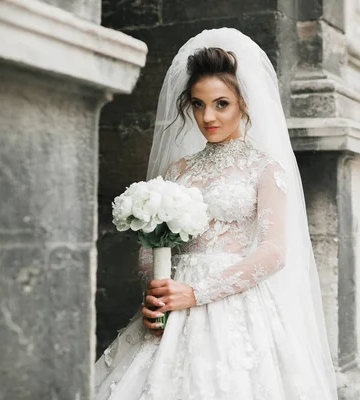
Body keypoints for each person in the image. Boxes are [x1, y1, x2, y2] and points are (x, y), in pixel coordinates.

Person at [95, 28, 338, 400]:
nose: (207, 116)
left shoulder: (266, 168)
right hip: (173, 301)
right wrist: (156, 291)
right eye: (197, 104)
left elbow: (273, 253)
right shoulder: (178, 170)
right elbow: (152, 242)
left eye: (221, 103)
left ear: (243, 103)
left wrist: (197, 292)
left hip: (236, 306)